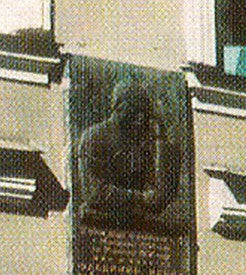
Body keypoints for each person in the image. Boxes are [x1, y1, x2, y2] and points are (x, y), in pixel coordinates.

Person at [76, 78, 177, 228]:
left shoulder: (141, 144)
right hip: (102, 223)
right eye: (135, 110)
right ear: (121, 107)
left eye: (144, 112)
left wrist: (161, 138)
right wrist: (139, 198)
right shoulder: (95, 137)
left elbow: (158, 198)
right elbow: (93, 193)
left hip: (138, 226)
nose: (141, 118)